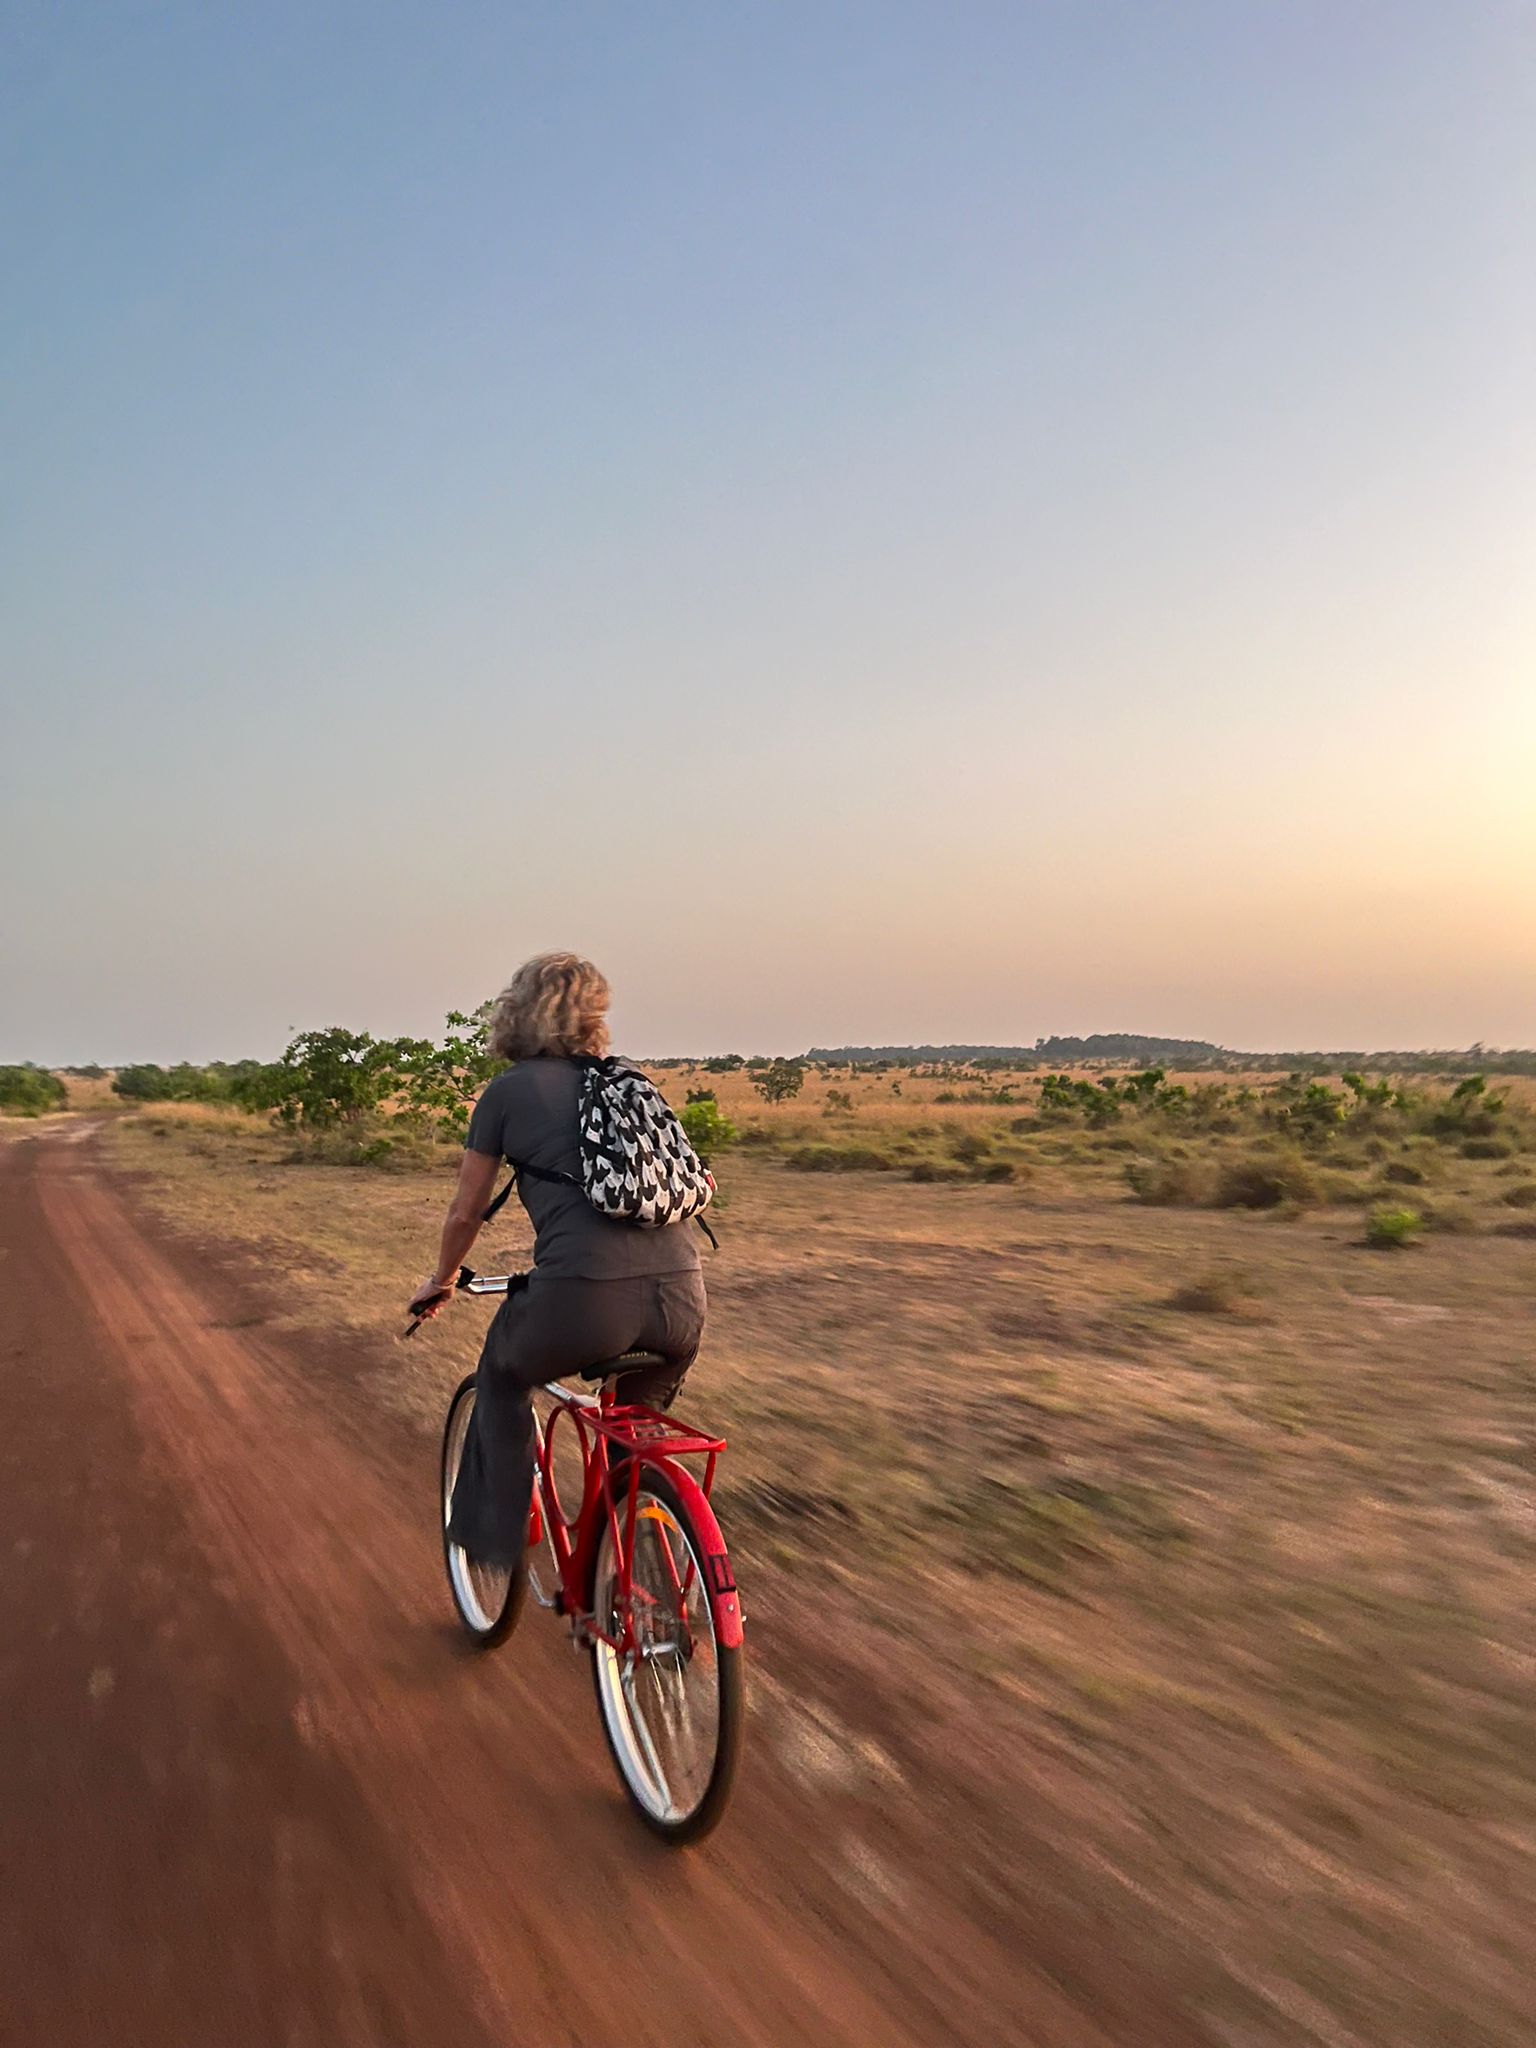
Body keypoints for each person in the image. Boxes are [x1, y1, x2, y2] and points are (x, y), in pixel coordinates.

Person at [408, 952, 706, 1568]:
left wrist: (442, 1280)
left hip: (583, 1301)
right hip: (682, 1302)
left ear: (517, 1013)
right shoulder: (628, 1081)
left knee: (501, 1372)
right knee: (632, 1435)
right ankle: (632, 1572)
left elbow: (465, 1213)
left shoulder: (507, 1091)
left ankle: (496, 1538)